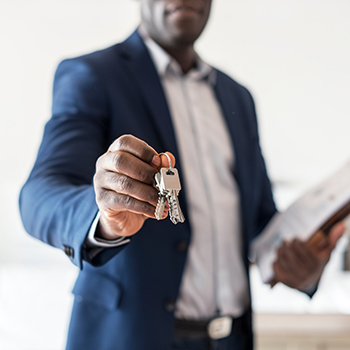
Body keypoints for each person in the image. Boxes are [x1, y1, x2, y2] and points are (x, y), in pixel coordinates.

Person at [19, 0, 345, 349]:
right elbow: (39, 196)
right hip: (133, 338)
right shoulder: (94, 76)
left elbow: (259, 223)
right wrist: (104, 216)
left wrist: (304, 268)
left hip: (231, 339)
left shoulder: (238, 98)